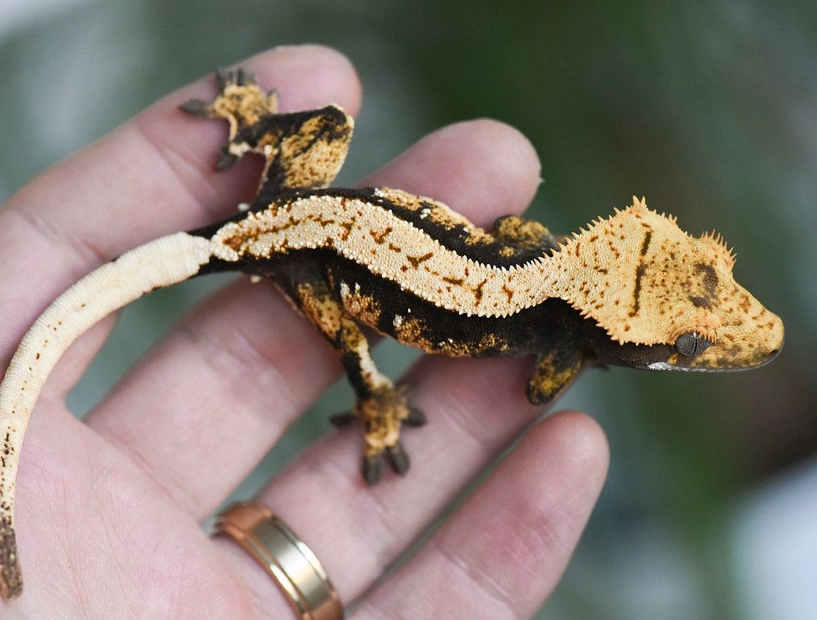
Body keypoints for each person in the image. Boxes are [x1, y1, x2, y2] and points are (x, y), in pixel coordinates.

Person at [0, 45, 608, 618]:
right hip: (297, 249)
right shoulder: (563, 345)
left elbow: (518, 232)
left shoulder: (548, 261)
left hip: (298, 212)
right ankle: (379, 409)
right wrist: (588, 349)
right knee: (352, 344)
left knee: (331, 129)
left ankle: (252, 127)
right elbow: (540, 387)